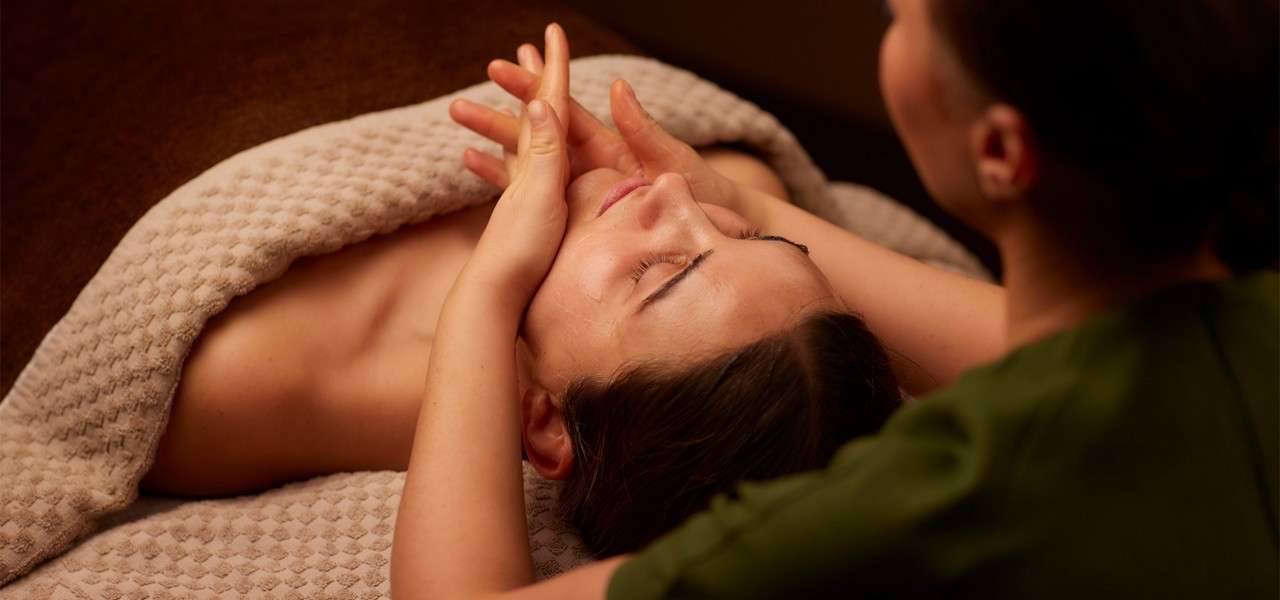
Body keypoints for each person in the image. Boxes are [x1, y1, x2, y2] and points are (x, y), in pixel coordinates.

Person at [389, 0, 1278, 597]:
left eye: (901, 21)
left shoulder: (933, 504)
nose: (680, 212)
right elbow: (1062, 347)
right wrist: (745, 213)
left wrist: (491, 286)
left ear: (1000, 152)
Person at [139, 22, 1002, 555]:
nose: (673, 195)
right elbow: (732, 179)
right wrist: (737, 200)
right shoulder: (720, 197)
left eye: (660, 271)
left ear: (546, 421)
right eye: (756, 238)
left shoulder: (262, 376)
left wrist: (493, 279)